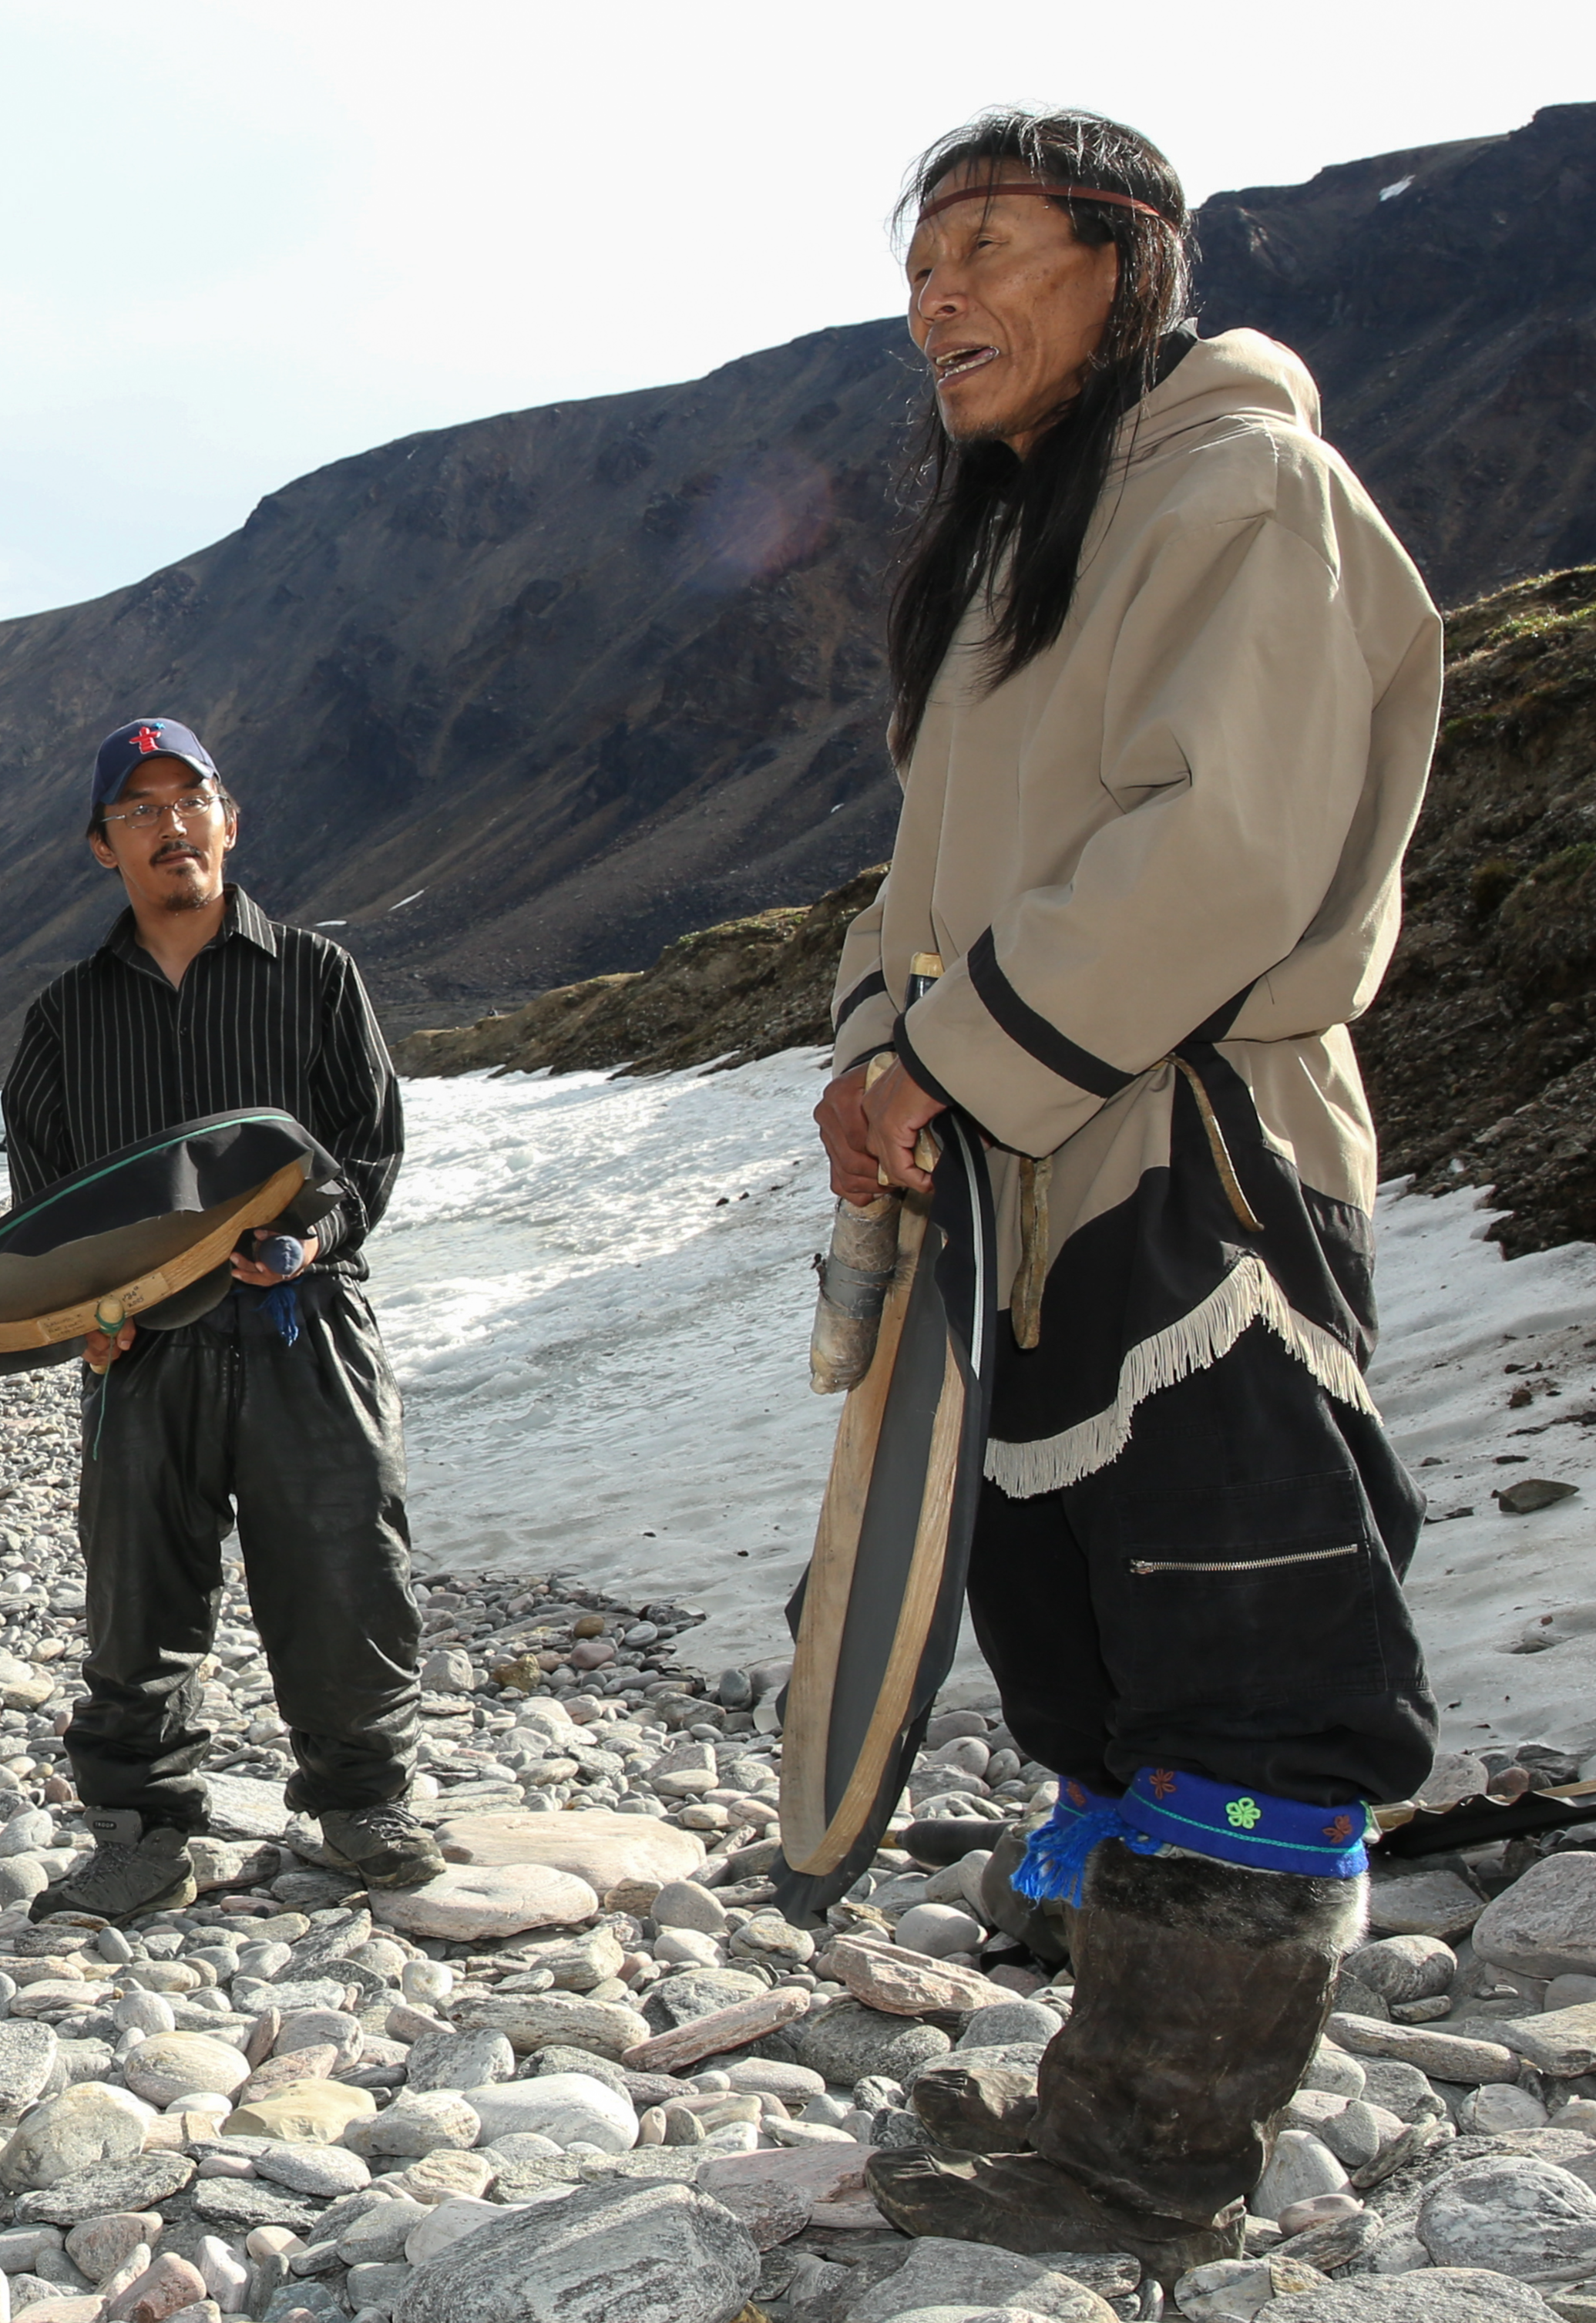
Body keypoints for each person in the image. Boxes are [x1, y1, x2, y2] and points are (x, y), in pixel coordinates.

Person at [818, 113, 1441, 2277]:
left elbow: (1219, 852)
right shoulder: (1015, 556)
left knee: (1242, 1650)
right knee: (1084, 1644)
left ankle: (1151, 2162)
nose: (935, 301)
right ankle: (1101, 2095)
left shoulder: (1240, 489)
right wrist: (871, 1059)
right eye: (917, 266)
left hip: (1198, 1162)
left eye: (985, 245)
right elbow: (920, 891)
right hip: (1025, 1167)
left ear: (1129, 259)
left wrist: (944, 1056)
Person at [0, 718, 432, 1918]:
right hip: (143, 1350)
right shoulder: (64, 1018)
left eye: (189, 799)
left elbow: (370, 1150)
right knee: (136, 1589)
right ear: (103, 847)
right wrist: (76, 1315)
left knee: (346, 1563)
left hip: (305, 1326)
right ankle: (142, 1829)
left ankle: (360, 1801)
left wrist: (312, 1239)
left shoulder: (314, 975)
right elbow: (44, 1200)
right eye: (138, 810)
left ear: (227, 823)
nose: (169, 825)